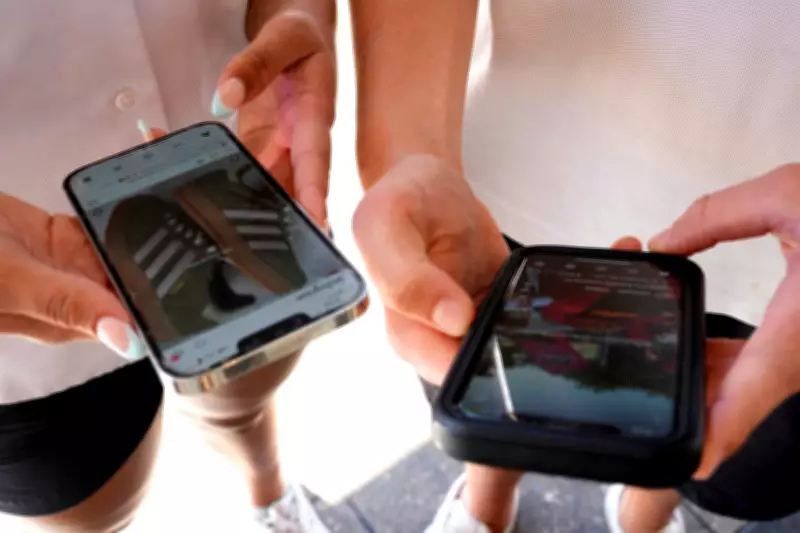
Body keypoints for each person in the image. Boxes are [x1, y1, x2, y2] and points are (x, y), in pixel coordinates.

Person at [349, 1, 800, 532]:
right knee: (493, 399)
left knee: (697, 440)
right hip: (504, 192)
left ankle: (642, 516)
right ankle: (486, 501)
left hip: (770, 267)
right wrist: (411, 152)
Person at [0, 1, 335, 531]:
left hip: (234, 169)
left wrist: (297, 13)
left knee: (242, 410)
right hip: (21, 319)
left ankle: (271, 499)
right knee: (96, 511)